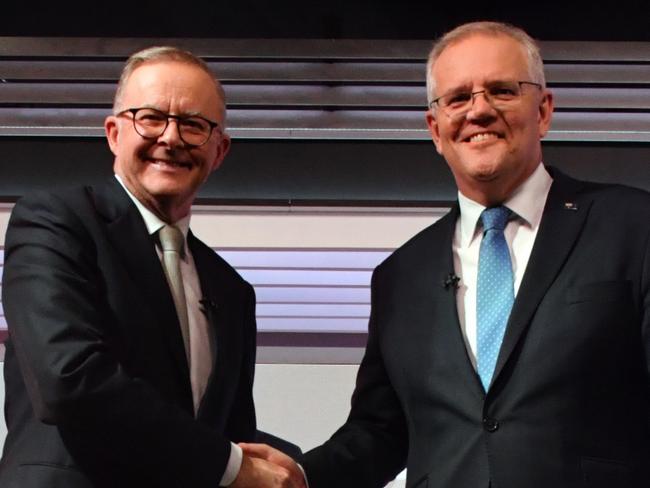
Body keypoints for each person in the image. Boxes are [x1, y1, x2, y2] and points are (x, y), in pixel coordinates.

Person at [241, 21, 650, 488]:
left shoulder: (633, 227)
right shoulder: (401, 275)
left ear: (544, 110)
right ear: (435, 129)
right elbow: (381, 432)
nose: (479, 110)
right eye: (458, 99)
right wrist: (303, 477)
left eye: (502, 90)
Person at [0, 46, 298, 488]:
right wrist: (234, 466)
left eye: (194, 125)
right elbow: (70, 380)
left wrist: (295, 468)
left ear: (220, 151)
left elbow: (219, 433)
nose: (171, 138)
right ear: (114, 133)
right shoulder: (55, 222)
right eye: (151, 118)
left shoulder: (232, 290)